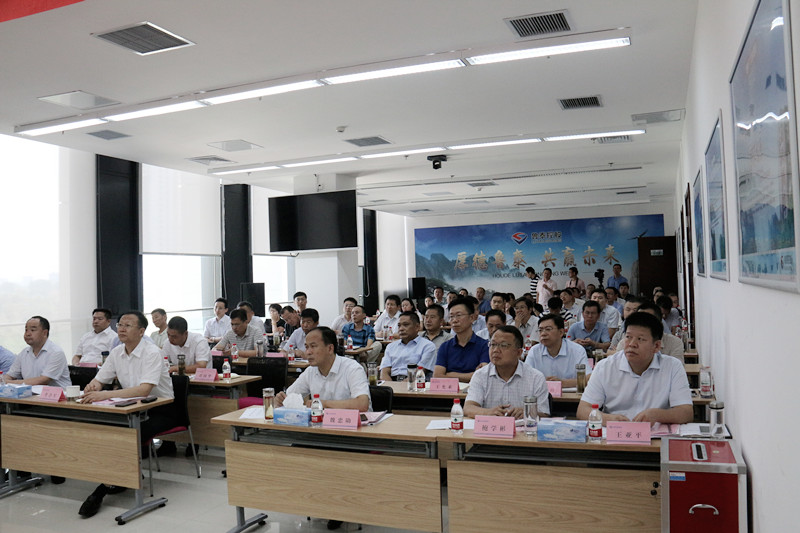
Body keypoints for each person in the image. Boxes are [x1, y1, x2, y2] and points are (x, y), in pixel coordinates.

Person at [78, 310, 176, 518]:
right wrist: (92, 387)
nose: (121, 329)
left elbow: (144, 390)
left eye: (127, 325)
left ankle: (102, 489)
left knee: (125, 436)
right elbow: (100, 379)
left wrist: (103, 394)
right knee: (102, 430)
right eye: (120, 325)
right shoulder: (116, 352)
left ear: (141, 331)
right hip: (130, 409)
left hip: (161, 409)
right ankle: (123, 475)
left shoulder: (152, 352)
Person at [577, 312, 693, 424]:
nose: (632, 344)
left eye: (640, 339)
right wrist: (608, 419)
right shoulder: (605, 367)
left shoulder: (672, 366)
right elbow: (583, 410)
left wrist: (657, 415)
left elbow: (686, 412)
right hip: (616, 433)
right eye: (628, 337)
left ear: (656, 346)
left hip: (656, 433)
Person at [463, 325, 550, 418]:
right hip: (491, 426)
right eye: (493, 344)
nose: (495, 350)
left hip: (523, 426)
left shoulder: (535, 377)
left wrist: (527, 413)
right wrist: (488, 412)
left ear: (519, 352)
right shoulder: (480, 375)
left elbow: (544, 413)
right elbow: (468, 408)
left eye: (503, 345)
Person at [276, 327, 370, 412]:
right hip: (323, 423)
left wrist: (323, 404)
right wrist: (282, 399)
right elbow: (289, 395)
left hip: (357, 423)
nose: (308, 352)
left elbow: (362, 404)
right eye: (307, 347)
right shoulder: (310, 371)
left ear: (330, 349)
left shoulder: (352, 368)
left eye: (313, 346)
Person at [525, 314, 590, 388]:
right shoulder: (534, 351)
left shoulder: (577, 350)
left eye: (548, 329)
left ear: (561, 332)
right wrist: (542, 382)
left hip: (569, 394)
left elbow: (589, 378)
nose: (543, 334)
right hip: (542, 393)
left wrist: (563, 383)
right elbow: (525, 377)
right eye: (540, 330)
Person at [433, 298, 489, 382]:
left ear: (471, 318)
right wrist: (472, 375)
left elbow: (482, 376)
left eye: (459, 315)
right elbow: (437, 376)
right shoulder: (445, 346)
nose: (454, 320)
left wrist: (449, 374)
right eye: (451, 316)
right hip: (449, 390)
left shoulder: (485, 346)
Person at [6, 316, 71, 389]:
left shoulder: (56, 352)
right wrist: (3, 380)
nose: (27, 334)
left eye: (32, 330)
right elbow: (10, 375)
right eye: (26, 330)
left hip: (58, 395)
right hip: (31, 394)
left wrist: (9, 382)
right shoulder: (24, 353)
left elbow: (43, 380)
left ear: (44, 333)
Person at [380, 312, 436, 381]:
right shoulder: (391, 346)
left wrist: (399, 386)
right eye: (399, 326)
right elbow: (384, 372)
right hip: (391, 382)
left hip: (414, 383)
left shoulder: (428, 346)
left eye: (405, 325)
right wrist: (390, 386)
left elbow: (419, 372)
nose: (401, 329)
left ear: (417, 327)